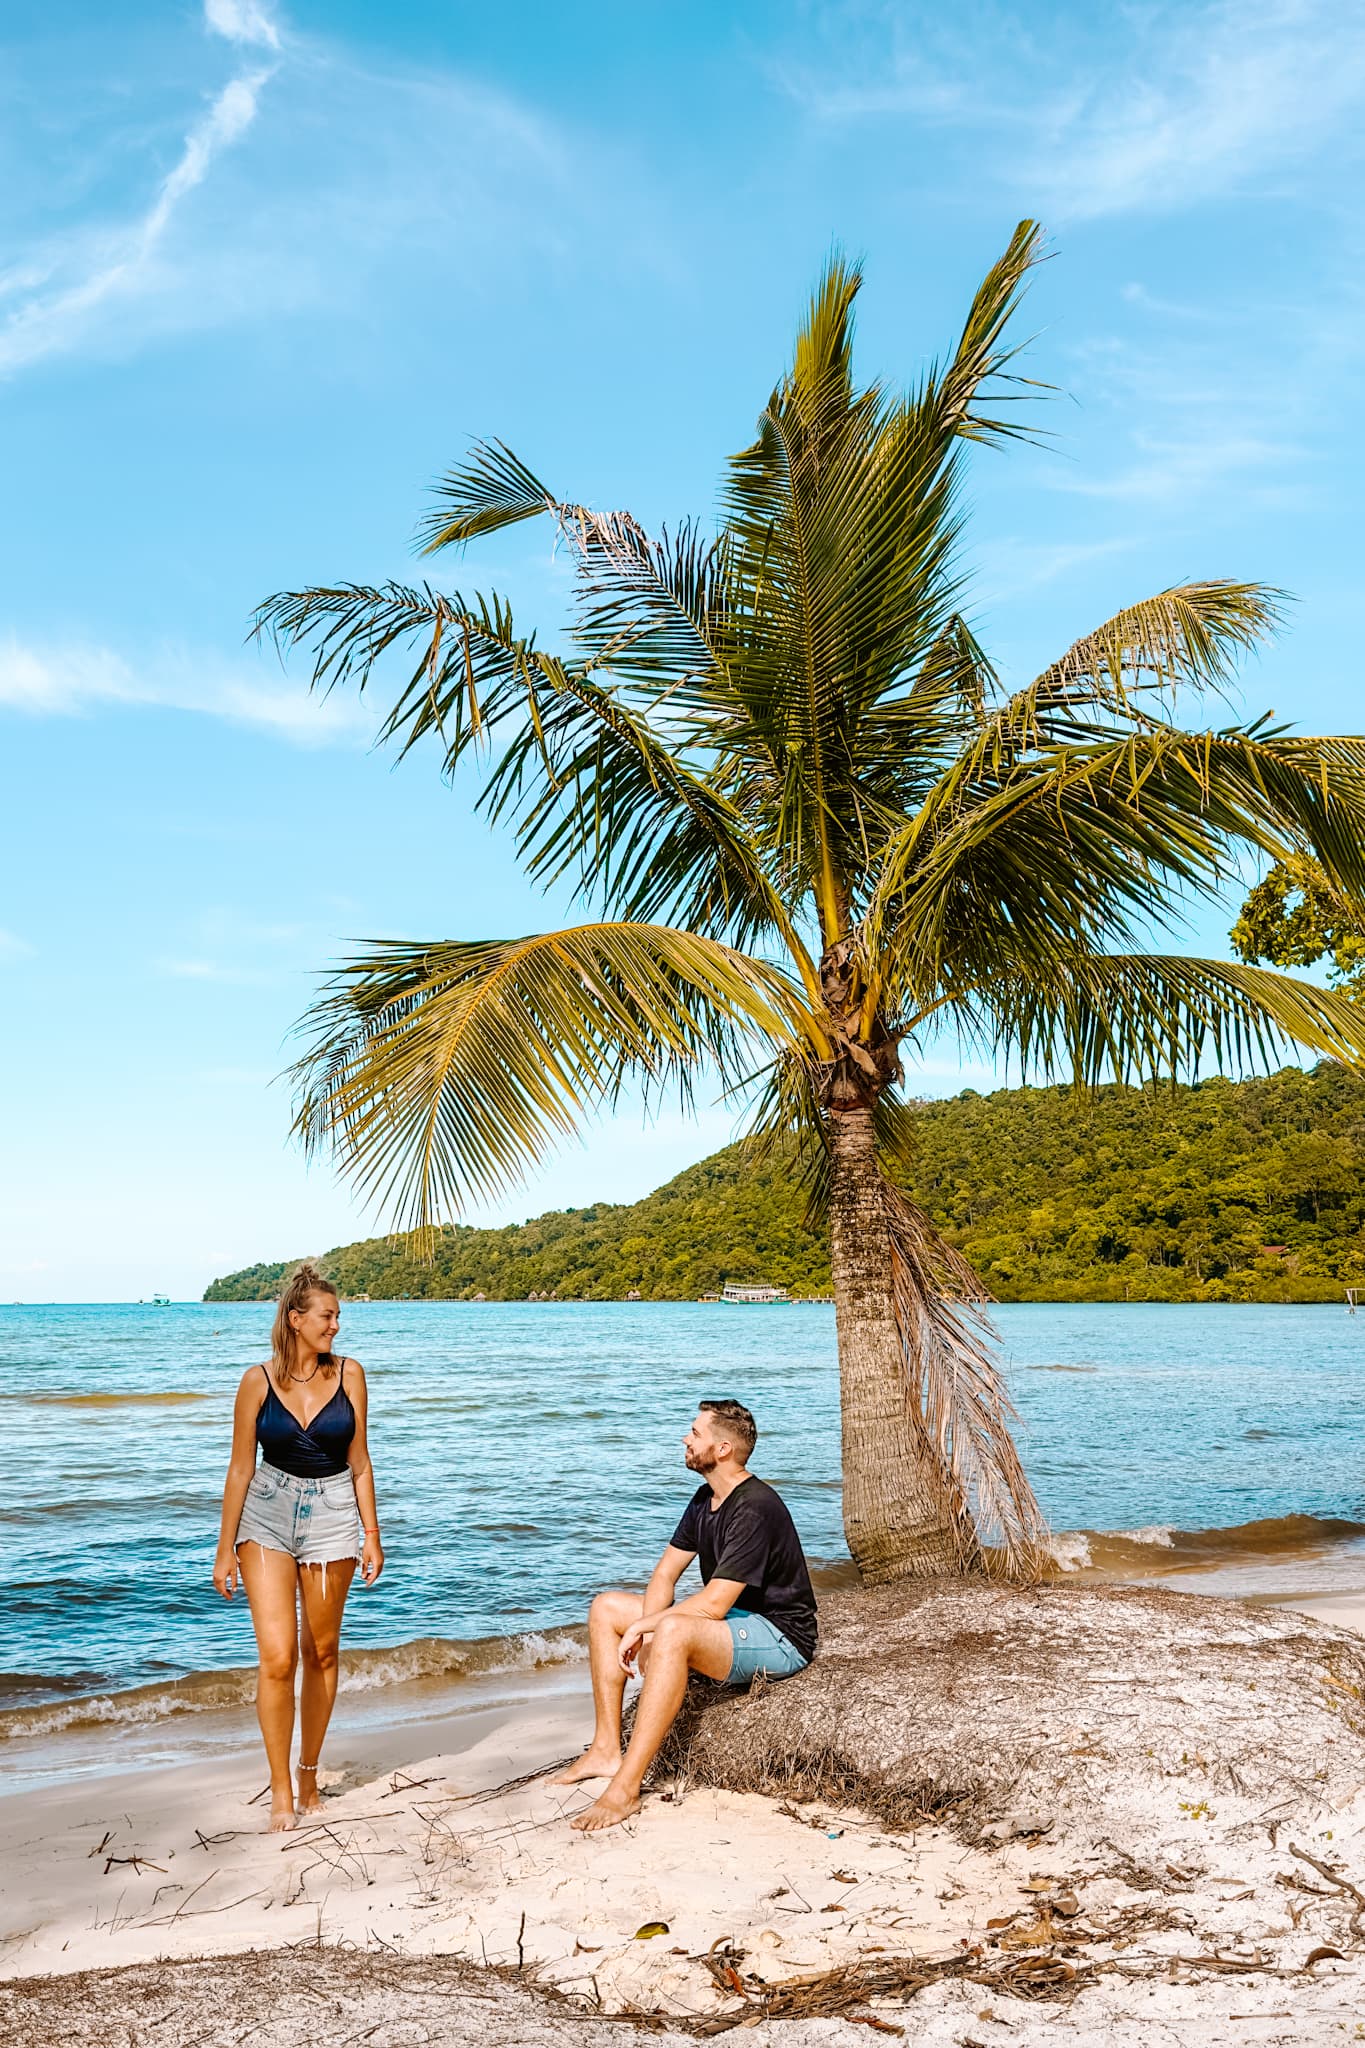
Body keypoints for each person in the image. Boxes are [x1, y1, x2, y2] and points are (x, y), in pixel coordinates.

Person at [554, 1398, 816, 1832]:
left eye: (695, 1433)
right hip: (732, 1621)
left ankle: (625, 1790)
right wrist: (648, 1634)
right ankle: (605, 1749)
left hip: (780, 1635)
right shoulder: (705, 1498)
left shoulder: (756, 1506)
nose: (685, 1439)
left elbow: (713, 1603)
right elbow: (664, 1574)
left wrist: (648, 1626)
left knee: (672, 1626)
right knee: (606, 1607)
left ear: (723, 1449)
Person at [212, 1264, 384, 1831]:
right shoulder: (256, 1381)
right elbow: (240, 1469)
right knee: (279, 1657)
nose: (336, 1325)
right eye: (327, 1316)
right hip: (266, 1513)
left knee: (323, 1652)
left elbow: (359, 1463)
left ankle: (308, 1771)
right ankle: (280, 1788)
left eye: (337, 1316)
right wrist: (223, 1549)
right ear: (296, 1319)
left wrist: (371, 1535)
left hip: (334, 1514)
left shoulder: (352, 1375)